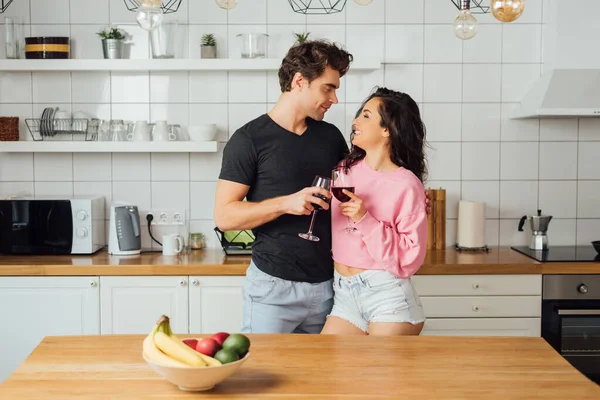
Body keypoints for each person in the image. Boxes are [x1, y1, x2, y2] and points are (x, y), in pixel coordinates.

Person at [214, 40, 352, 334]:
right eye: (328, 88)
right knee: (264, 376)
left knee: (322, 380)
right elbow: (224, 217)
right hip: (272, 291)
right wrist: (284, 203)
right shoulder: (248, 140)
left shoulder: (330, 137)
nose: (334, 99)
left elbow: (355, 191)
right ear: (300, 81)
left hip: (328, 288)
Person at [321, 87, 428, 336]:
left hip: (387, 296)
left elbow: (410, 259)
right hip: (344, 294)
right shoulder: (344, 170)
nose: (355, 121)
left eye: (366, 115)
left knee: (382, 375)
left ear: (386, 130)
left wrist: (364, 219)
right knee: (327, 370)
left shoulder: (407, 184)